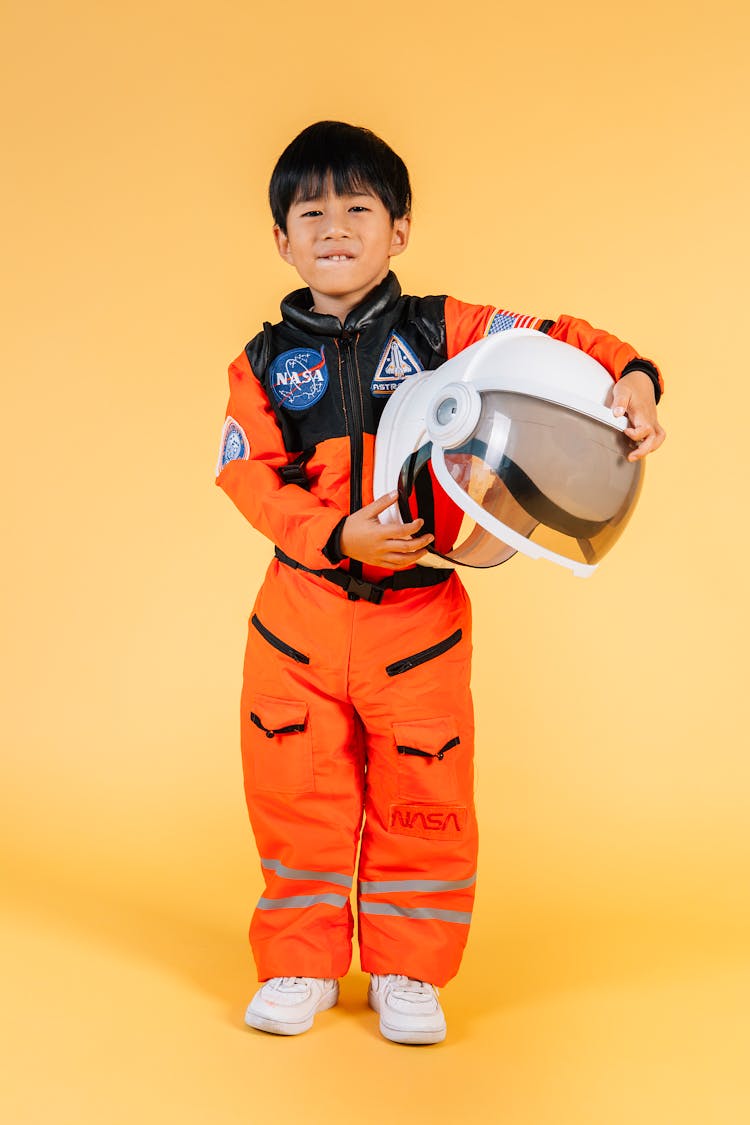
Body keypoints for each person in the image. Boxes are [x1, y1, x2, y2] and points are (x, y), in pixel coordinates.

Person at [215, 120, 665, 1044]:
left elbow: (556, 337)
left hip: (418, 622)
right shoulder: (259, 365)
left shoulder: (441, 329)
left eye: (358, 209)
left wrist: (631, 373)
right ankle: (300, 961)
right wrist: (335, 532)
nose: (334, 228)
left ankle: (409, 970)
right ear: (281, 239)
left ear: (400, 229)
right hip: (298, 623)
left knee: (426, 799)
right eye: (312, 212)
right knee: (296, 791)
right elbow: (247, 477)